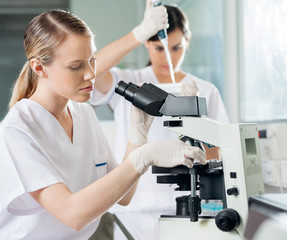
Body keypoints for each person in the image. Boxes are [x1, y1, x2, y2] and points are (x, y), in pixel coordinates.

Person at [0, 9, 207, 240]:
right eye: (76, 66)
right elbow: (73, 215)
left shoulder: (82, 114)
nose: (91, 74)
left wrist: (138, 137)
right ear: (39, 68)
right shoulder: (17, 131)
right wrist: (144, 157)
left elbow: (124, 195)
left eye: (92, 60)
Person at [90, 1, 230, 215]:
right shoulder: (130, 82)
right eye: (159, 48)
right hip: (133, 206)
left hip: (190, 206)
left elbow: (220, 151)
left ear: (187, 41)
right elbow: (90, 72)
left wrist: (198, 123)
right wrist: (138, 33)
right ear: (147, 43)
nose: (168, 57)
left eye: (176, 48)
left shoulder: (204, 90)